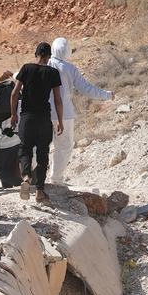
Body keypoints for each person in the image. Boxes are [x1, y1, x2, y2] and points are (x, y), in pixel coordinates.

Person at [48, 37, 114, 186]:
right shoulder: (70, 68)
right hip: (64, 114)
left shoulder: (45, 64)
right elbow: (86, 88)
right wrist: (107, 95)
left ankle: (31, 177)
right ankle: (56, 179)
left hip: (44, 112)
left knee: (40, 145)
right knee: (64, 146)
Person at [10, 43, 65, 203]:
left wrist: (13, 114)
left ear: (36, 54)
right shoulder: (53, 72)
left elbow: (14, 94)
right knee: (43, 153)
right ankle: (40, 190)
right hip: (43, 119)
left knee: (25, 149)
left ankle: (26, 177)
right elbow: (57, 99)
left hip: (27, 117)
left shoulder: (26, 68)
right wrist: (60, 121)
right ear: (49, 56)